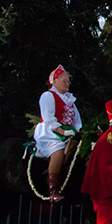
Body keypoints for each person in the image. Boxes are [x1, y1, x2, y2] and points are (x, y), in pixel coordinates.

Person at [33, 65, 83, 202]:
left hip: (68, 132)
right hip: (51, 132)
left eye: (68, 81)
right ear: (54, 82)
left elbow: (77, 120)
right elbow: (48, 117)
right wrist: (60, 130)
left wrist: (79, 130)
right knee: (58, 153)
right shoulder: (48, 96)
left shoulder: (70, 101)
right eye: (64, 81)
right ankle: (53, 190)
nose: (67, 84)